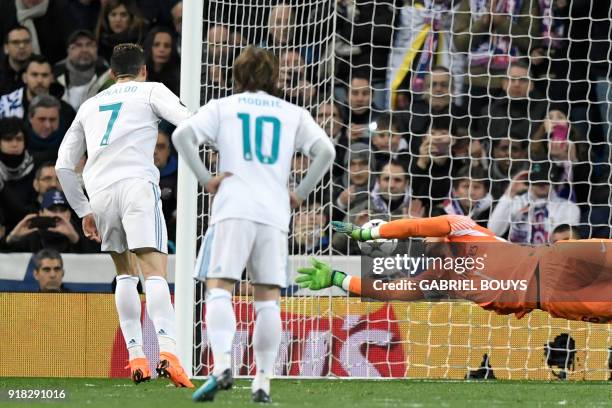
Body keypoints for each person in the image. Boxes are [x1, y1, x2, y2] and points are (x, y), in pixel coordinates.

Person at [172, 45, 335, 403]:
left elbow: (181, 136)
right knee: (267, 301)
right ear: (274, 79)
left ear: (237, 76)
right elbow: (326, 151)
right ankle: (262, 382)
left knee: (218, 288)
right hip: (275, 212)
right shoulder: (293, 112)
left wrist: (206, 178)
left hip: (233, 207)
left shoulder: (222, 107)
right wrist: (300, 193)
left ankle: (223, 364)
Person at [55, 43, 193, 387]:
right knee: (154, 270)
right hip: (136, 186)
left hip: (100, 194)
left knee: (126, 273)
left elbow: (62, 165)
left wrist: (83, 209)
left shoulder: (89, 104)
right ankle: (170, 352)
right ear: (143, 69)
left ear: (113, 74)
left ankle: (135, 357)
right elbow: (188, 123)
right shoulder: (151, 91)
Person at [298, 215, 612, 324]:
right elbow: (393, 290)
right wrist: (339, 279)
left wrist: (369, 233)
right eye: (416, 239)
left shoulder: (462, 227)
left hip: (558, 257)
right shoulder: (442, 275)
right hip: (549, 295)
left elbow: (419, 224)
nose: (421, 236)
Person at [488, 162, 580, 244]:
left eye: (545, 180)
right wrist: (510, 193)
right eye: (538, 180)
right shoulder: (517, 202)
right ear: (529, 180)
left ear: (553, 179)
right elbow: (493, 231)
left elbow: (565, 243)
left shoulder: (569, 208)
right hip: (517, 258)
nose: (542, 184)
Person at [3, 189, 92, 253]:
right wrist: (11, 238)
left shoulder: (82, 232)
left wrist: (76, 240)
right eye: (52, 210)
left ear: (69, 214)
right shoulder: (32, 234)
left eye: (62, 210)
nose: (57, 214)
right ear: (41, 213)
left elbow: (96, 261)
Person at [0, 54, 76, 123]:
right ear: (25, 78)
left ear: (52, 78)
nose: (40, 80)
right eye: (34, 75)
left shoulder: (66, 112)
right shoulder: (4, 106)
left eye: (44, 75)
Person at [54, 29, 111, 110]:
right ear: (69, 50)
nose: (84, 50)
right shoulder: (55, 75)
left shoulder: (108, 76)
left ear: (96, 49)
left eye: (89, 45)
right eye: (78, 45)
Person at [0, 117, 35, 233]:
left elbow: (33, 211)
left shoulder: (36, 166)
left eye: (19, 139)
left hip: (30, 228)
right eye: (8, 139)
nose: (14, 144)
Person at [143, 26, 180, 95]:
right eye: (156, 45)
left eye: (167, 45)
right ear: (149, 47)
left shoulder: (180, 78)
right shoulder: (140, 74)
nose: (161, 49)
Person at [0, 26, 33, 94]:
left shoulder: (42, 66)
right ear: (6, 48)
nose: (22, 46)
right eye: (15, 42)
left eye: (26, 41)